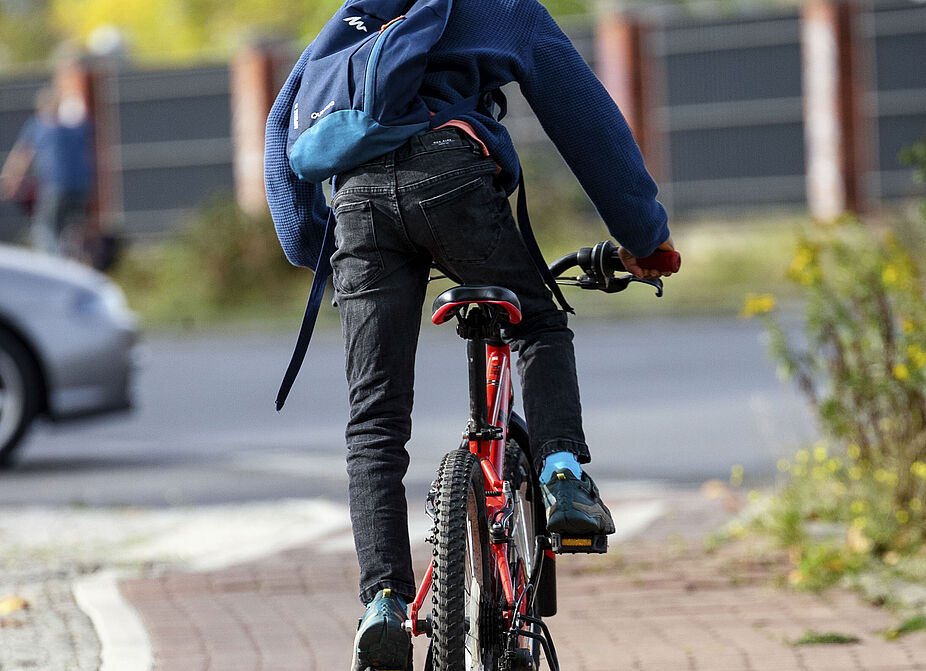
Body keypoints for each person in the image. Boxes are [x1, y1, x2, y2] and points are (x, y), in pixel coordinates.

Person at [266, 1, 677, 668]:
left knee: (374, 419)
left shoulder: (356, 13)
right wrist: (645, 237)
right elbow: (586, 120)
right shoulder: (503, 6)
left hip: (358, 207)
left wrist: (322, 247)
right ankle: (563, 474)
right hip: (451, 178)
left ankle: (384, 606)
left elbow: (281, 127)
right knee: (539, 320)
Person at [0, 86, 93, 256]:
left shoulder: (37, 126)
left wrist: (9, 182)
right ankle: (75, 261)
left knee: (45, 227)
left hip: (55, 186)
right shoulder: (76, 128)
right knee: (73, 230)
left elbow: (21, 156)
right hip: (81, 186)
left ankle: (53, 265)